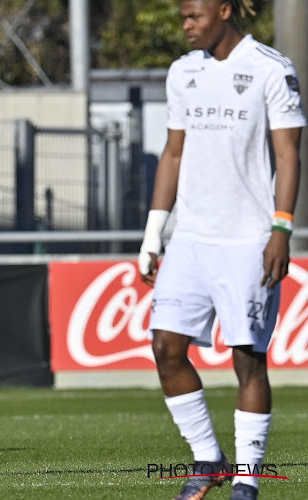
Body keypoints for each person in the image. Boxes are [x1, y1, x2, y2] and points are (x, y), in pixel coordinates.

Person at [138, 1, 305, 499]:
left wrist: (281, 228)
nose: (186, 25)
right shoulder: (182, 72)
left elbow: (288, 153)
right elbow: (172, 153)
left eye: (194, 15)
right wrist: (153, 235)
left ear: (225, 10)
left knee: (248, 358)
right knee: (166, 347)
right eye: (183, 17)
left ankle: (247, 483)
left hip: (249, 239)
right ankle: (209, 459)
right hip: (190, 239)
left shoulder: (271, 68)